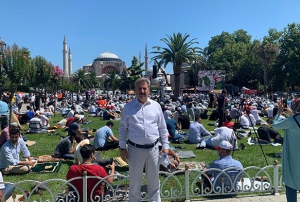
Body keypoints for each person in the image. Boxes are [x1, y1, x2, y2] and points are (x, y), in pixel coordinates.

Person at [119, 77, 169, 202]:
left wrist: (166, 146)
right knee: (135, 183)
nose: (142, 91)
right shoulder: (128, 107)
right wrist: (122, 148)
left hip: (153, 149)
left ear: (149, 90)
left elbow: (162, 128)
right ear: (135, 91)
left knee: (154, 182)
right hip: (135, 150)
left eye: (144, 88)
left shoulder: (156, 106)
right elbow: (122, 129)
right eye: (139, 88)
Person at [272, 99, 300, 202]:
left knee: (291, 187)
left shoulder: (292, 121)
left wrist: (279, 112)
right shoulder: (293, 120)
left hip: (294, 158)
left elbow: (275, 126)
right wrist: (292, 114)